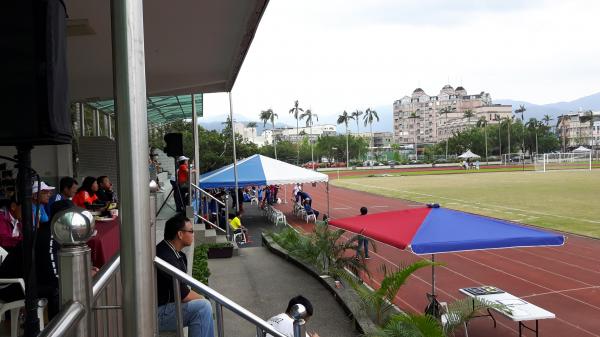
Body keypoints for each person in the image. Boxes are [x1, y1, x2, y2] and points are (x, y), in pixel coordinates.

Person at [156, 214, 215, 337]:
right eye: (191, 231)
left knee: (204, 306)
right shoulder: (165, 257)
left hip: (168, 307)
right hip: (158, 313)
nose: (193, 234)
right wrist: (203, 299)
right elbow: (184, 295)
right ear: (180, 234)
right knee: (202, 307)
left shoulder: (178, 254)